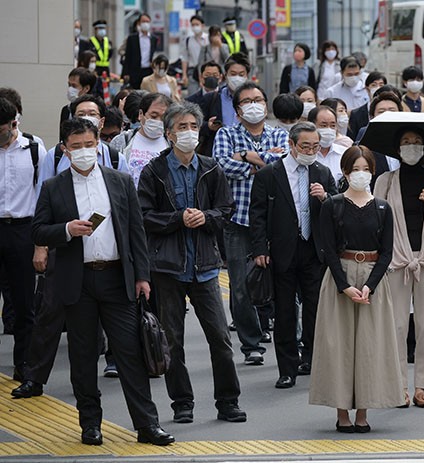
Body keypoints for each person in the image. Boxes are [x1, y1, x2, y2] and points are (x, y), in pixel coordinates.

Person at [31, 117, 174, 446]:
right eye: (76, 147)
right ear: (65, 150)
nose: (84, 152)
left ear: (99, 145)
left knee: (130, 354)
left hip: (115, 277)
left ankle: (147, 425)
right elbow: (38, 230)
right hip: (76, 281)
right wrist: (67, 229)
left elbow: (136, 231)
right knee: (83, 356)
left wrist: (142, 276)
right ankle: (90, 425)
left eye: (89, 145)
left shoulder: (120, 181)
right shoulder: (54, 187)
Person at [138, 101, 245, 424]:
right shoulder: (154, 172)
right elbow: (143, 217)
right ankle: (181, 403)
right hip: (167, 268)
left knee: (221, 340)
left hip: (206, 267)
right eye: (181, 127)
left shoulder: (211, 168)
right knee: (172, 341)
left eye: (192, 127)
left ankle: (228, 401)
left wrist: (206, 216)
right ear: (169, 134)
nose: (188, 133)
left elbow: (226, 209)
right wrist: (177, 218)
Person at [309, 146, 403, 432]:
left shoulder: (383, 208)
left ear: (373, 172)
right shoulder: (332, 204)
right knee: (339, 346)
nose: (361, 175)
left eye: (366, 169)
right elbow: (327, 250)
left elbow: (387, 252)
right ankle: (342, 413)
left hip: (374, 279)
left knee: (370, 347)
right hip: (341, 275)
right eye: (355, 169)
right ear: (345, 172)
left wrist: (370, 287)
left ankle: (363, 412)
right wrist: (345, 286)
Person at [250, 122, 338, 388]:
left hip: (313, 249)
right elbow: (257, 215)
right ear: (291, 144)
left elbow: (337, 206)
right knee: (286, 311)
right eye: (305, 146)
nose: (310, 151)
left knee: (315, 308)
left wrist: (326, 197)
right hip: (283, 250)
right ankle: (286, 368)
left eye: (315, 146)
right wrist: (259, 249)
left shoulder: (321, 172)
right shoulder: (269, 174)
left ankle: (309, 358)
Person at [373, 127, 424, 408]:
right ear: (397, 149)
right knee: (395, 324)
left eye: (417, 142)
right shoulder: (385, 180)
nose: (412, 147)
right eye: (406, 142)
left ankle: (421, 387)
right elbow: (376, 220)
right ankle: (398, 387)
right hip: (396, 260)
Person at [214, 82, 288, 367]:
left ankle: (288, 338)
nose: (254, 105)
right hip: (238, 220)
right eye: (247, 101)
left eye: (258, 99)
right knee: (241, 285)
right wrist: (258, 161)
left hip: (274, 221)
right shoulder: (226, 133)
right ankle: (251, 343)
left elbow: (282, 164)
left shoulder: (279, 133)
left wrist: (244, 157)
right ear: (237, 110)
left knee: (281, 281)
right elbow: (221, 165)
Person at [0, 96, 46, 383]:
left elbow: (43, 195)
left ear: (13, 123)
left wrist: (41, 244)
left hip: (22, 229)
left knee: (23, 302)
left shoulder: (34, 149)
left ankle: (25, 365)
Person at [198, 53, 251, 156]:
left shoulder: (254, 99)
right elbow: (197, 124)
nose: (237, 78)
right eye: (233, 74)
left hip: (246, 154)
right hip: (217, 153)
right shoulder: (212, 98)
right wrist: (208, 126)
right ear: (225, 75)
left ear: (246, 76)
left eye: (241, 75)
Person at [121, 93, 172, 187]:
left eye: (163, 117)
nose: (158, 121)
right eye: (153, 116)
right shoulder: (123, 141)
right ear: (141, 114)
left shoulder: (173, 145)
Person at [308, 105, 345, 184]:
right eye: (323, 126)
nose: (329, 129)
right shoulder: (304, 155)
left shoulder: (344, 154)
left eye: (332, 126)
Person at [123, 13, 160, 90]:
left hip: (148, 71)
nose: (145, 24)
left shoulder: (154, 39)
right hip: (135, 71)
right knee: (136, 93)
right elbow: (128, 56)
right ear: (139, 23)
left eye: (147, 21)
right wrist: (125, 72)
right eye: (143, 21)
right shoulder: (132, 38)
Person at [61, 68, 97, 136]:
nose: (70, 89)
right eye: (69, 85)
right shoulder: (66, 110)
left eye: (74, 86)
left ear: (86, 88)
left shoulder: (97, 109)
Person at [181, 15, 209, 92]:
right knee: (192, 94)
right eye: (193, 25)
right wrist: (184, 74)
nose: (195, 27)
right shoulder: (188, 40)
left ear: (202, 26)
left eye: (197, 24)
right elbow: (185, 58)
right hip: (192, 71)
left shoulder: (208, 39)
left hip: (207, 70)